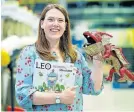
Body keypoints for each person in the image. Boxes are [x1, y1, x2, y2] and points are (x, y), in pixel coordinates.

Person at [15, 4, 104, 111]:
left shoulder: (75, 56)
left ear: (66, 26)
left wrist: (98, 62)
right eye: (51, 19)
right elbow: (23, 95)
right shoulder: (29, 54)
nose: (55, 24)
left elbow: (93, 88)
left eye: (60, 20)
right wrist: (59, 98)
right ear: (42, 23)